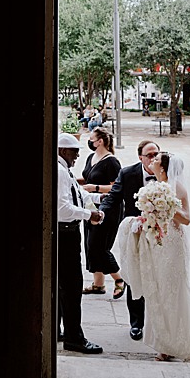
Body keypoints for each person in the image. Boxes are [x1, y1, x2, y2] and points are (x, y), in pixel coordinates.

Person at [112, 151, 190, 363]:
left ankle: (178, 344)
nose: (152, 160)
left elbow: (186, 219)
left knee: (172, 293)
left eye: (156, 159)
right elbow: (151, 216)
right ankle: (163, 343)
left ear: (163, 167)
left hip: (172, 245)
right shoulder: (154, 187)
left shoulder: (175, 187)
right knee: (157, 293)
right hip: (157, 245)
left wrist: (167, 207)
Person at [101, 139, 159, 340]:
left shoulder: (167, 171)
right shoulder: (127, 173)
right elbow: (114, 197)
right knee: (135, 276)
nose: (154, 158)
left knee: (159, 278)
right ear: (140, 157)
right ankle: (137, 323)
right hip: (135, 233)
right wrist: (100, 213)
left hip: (161, 234)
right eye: (149, 155)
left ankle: (159, 322)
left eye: (156, 154)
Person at [56, 132, 104, 355]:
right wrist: (89, 215)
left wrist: (96, 203)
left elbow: (79, 194)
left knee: (63, 286)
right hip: (65, 234)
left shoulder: (65, 170)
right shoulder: (59, 171)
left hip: (69, 232)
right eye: (74, 152)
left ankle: (58, 330)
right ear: (63, 151)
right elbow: (62, 208)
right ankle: (74, 338)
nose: (76, 157)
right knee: (72, 287)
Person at [78, 127, 123, 297]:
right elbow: (88, 178)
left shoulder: (111, 162)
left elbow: (116, 186)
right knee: (90, 245)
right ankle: (98, 284)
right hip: (90, 205)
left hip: (108, 208)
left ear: (100, 141)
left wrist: (95, 188)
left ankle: (118, 279)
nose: (89, 142)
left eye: (91, 138)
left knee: (99, 246)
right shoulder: (91, 157)